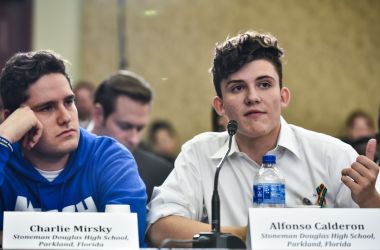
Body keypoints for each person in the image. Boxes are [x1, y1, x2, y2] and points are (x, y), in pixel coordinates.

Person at [146, 31, 380, 246]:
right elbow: (159, 228)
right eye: (238, 88)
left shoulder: (332, 154)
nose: (253, 97)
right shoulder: (200, 154)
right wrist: (253, 234)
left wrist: (369, 200)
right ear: (220, 106)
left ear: (283, 96)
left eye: (264, 84)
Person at [0, 51, 147, 246]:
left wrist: (11, 238)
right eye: (46, 108)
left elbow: (125, 240)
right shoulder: (6, 159)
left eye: (69, 102)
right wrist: (3, 136)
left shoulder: (110, 158)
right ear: (13, 117)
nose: (66, 117)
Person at [91, 70, 173, 201]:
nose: (134, 139)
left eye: (140, 128)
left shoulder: (161, 175)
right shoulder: (60, 158)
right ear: (98, 114)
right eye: (125, 126)